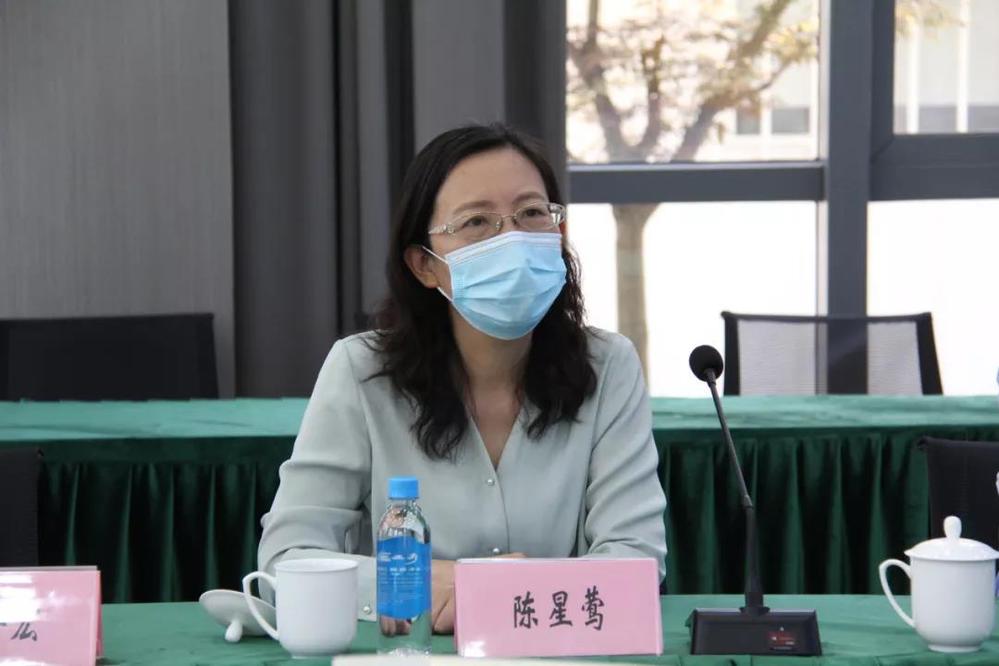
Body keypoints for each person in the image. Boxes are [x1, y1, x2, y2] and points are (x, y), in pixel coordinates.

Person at [257, 123, 667, 635]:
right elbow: (287, 560)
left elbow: (636, 561)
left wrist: (488, 594)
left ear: (559, 232)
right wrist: (431, 584)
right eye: (476, 221)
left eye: (532, 214)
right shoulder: (361, 371)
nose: (512, 239)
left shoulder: (608, 365)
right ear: (423, 265)